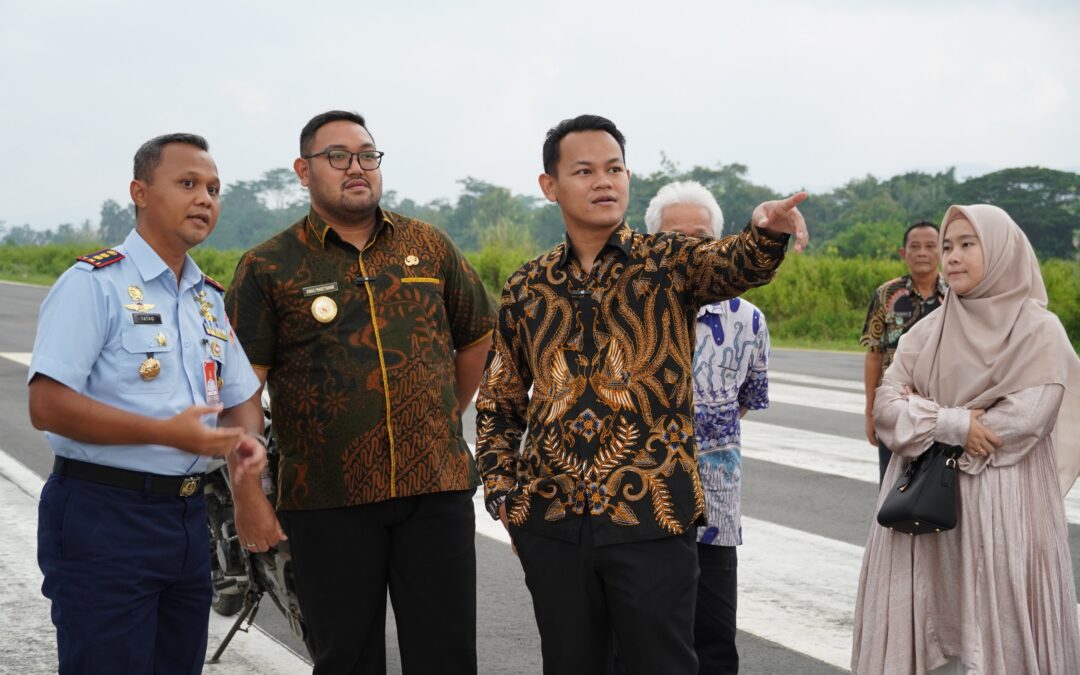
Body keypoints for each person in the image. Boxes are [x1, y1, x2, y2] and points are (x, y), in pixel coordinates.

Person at [475, 114, 807, 675]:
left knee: (662, 664)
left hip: (651, 514)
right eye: (585, 170)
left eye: (615, 168)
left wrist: (765, 230)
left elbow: (734, 263)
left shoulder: (669, 263)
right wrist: (506, 497)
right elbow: (499, 399)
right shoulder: (527, 286)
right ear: (550, 185)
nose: (605, 181)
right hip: (553, 520)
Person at [225, 110, 496, 675]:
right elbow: (241, 389)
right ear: (304, 170)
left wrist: (446, 409)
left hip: (434, 490)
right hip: (328, 500)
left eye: (367, 155)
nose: (357, 168)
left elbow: (478, 338)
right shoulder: (269, 266)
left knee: (446, 657)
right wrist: (248, 493)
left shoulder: (429, 246)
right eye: (338, 157)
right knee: (345, 658)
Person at [28, 133, 267, 675]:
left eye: (213, 188)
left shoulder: (207, 297)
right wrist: (166, 433)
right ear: (139, 192)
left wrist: (245, 453)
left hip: (185, 518)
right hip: (102, 514)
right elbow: (46, 405)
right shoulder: (94, 285)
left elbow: (242, 398)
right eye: (187, 184)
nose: (204, 199)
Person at [851, 204, 1080, 675]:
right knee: (932, 629)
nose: (952, 257)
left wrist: (927, 413)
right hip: (926, 514)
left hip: (1004, 511)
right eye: (949, 246)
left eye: (967, 245)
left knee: (999, 629)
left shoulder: (1039, 331)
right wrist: (957, 423)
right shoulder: (927, 331)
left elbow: (1022, 421)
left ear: (1000, 251)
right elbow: (888, 407)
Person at [645, 180, 771, 674]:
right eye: (674, 239)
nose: (688, 250)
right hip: (640, 511)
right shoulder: (626, 312)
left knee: (713, 642)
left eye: (700, 238)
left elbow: (745, 399)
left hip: (715, 509)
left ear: (721, 245)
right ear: (650, 243)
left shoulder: (748, 320)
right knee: (638, 641)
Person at [860, 220, 945, 483]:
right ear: (903, 253)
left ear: (942, 250)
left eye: (930, 246)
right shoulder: (887, 294)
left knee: (939, 490)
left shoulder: (956, 297)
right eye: (915, 246)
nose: (922, 252)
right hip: (896, 408)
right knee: (893, 486)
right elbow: (874, 354)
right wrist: (871, 411)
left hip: (942, 410)